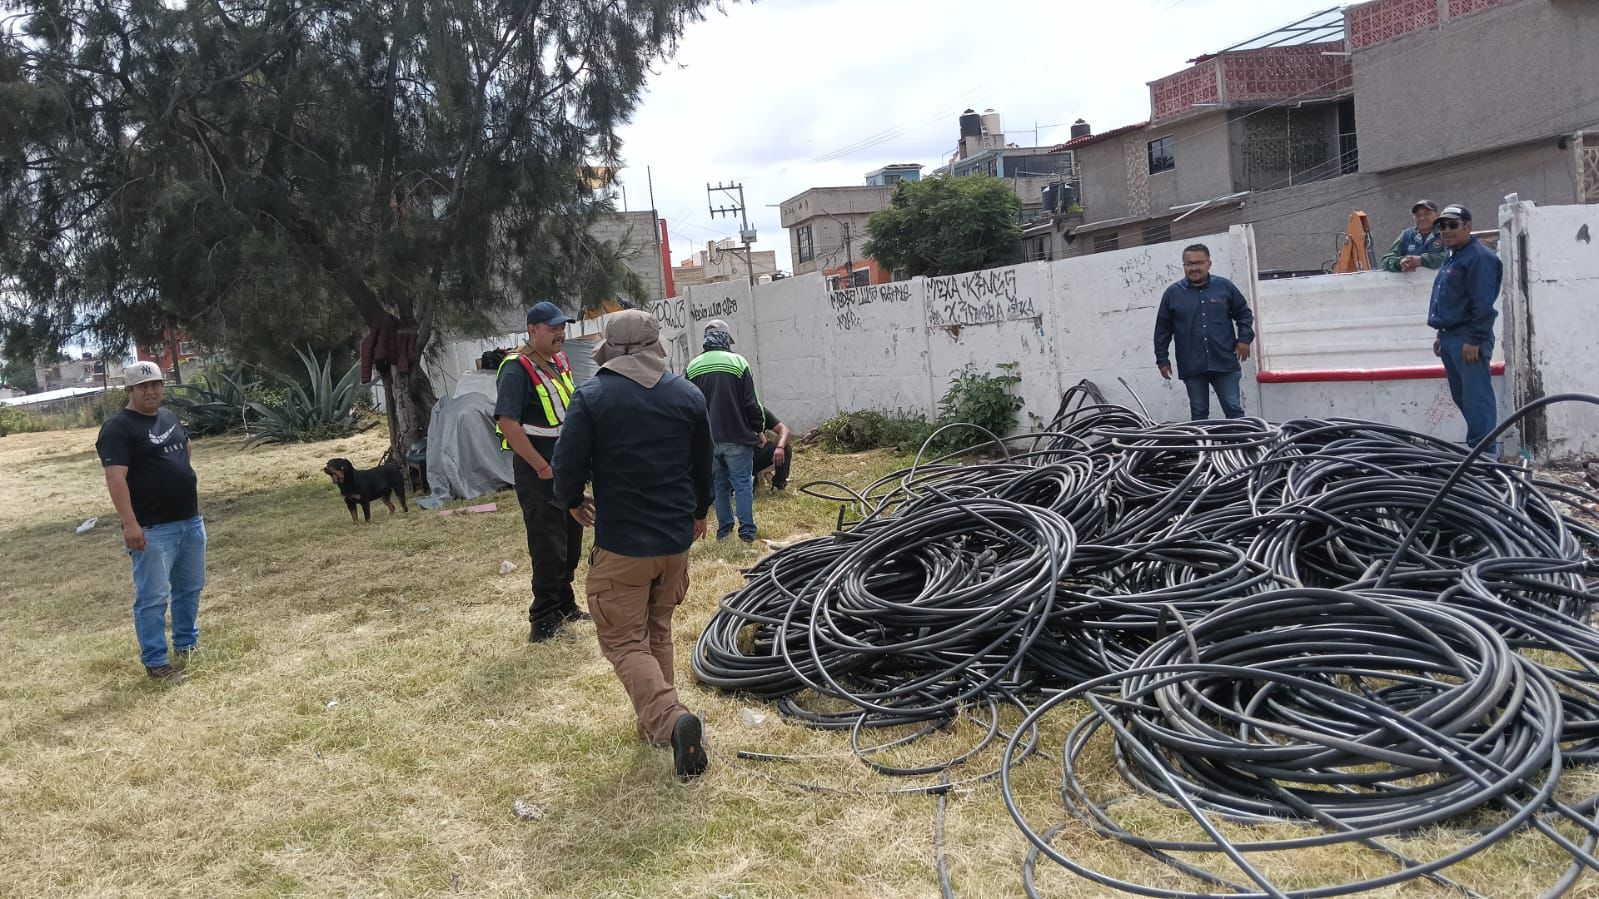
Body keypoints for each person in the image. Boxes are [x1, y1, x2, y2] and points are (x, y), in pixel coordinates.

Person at [552, 310, 714, 780]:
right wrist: (699, 512)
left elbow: (567, 464)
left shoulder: (593, 396)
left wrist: (569, 502)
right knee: (656, 627)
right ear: (654, 345)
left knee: (623, 640)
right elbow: (703, 465)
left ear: (608, 346)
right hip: (674, 541)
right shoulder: (687, 394)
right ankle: (654, 726)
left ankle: (670, 719)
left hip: (623, 543)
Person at [96, 360, 205, 684]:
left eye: (156, 384)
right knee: (153, 598)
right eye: (143, 386)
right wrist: (130, 525)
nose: (151, 390)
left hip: (189, 521)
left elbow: (185, 449)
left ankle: (187, 645)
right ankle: (156, 662)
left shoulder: (169, 417)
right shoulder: (118, 428)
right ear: (129, 390)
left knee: (190, 589)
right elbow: (116, 479)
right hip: (153, 529)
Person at [494, 301, 588, 642]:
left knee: (571, 541)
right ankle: (543, 619)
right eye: (552, 328)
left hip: (565, 468)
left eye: (562, 327)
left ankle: (565, 604)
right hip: (539, 472)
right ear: (532, 331)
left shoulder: (559, 361)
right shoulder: (516, 368)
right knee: (549, 546)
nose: (560, 333)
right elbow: (508, 422)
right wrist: (542, 466)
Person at [1428, 204, 1503, 456]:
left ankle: (1486, 455)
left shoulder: (1480, 258)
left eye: (1452, 225)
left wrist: (1475, 339)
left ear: (1468, 226)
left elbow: (1482, 304)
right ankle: (1479, 451)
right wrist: (1441, 335)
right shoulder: (1455, 256)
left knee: (1476, 398)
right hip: (1452, 337)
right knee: (1462, 396)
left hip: (1468, 338)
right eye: (1441, 226)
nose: (1446, 231)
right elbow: (1452, 300)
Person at [1153, 243, 1255, 420]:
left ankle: (1239, 447)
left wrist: (1244, 339)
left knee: (1234, 410)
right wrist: (1162, 360)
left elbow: (1244, 314)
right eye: (1189, 264)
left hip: (1224, 361)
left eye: (1199, 263)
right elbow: (1162, 330)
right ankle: (1203, 448)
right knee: (1199, 413)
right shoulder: (1172, 294)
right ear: (1184, 265)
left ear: (1209, 264)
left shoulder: (1225, 287)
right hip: (1192, 364)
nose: (1194, 268)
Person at [685, 318, 764, 542]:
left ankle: (724, 531)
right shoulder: (738, 363)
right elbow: (751, 403)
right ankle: (747, 532)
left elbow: (687, 404)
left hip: (707, 442)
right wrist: (758, 429)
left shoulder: (693, 366)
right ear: (725, 339)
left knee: (719, 486)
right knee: (742, 483)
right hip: (737, 437)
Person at [1381, 200, 1447, 273]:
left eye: (1427, 214)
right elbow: (1386, 260)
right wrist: (1401, 262)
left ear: (1438, 215)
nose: (1422, 218)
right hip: (1412, 283)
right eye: (1418, 215)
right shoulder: (1407, 235)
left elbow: (1453, 256)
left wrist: (1422, 260)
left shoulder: (1446, 231)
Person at [751, 406, 792, 492]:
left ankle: (778, 486)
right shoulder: (735, 411)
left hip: (757, 455)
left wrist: (780, 447)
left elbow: (784, 430)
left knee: (785, 447)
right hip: (738, 457)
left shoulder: (759, 410)